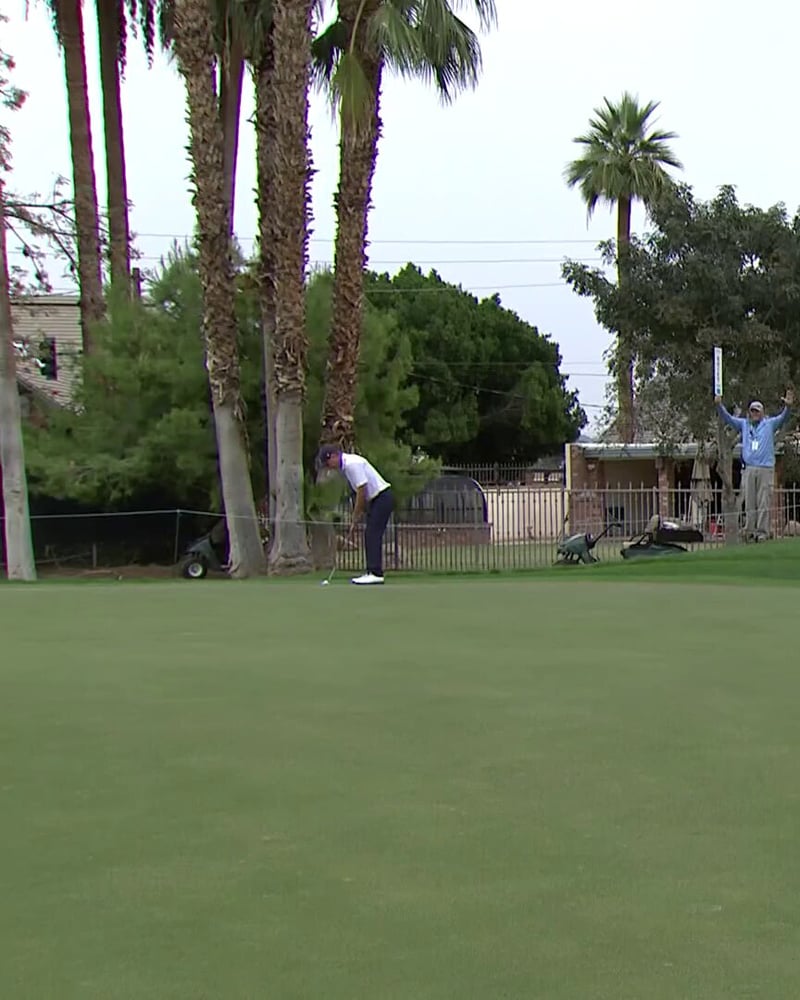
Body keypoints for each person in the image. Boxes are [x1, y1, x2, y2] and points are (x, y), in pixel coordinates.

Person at [715, 388, 794, 541]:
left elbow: (784, 417)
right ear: (749, 412)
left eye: (757, 411)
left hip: (765, 468)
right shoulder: (744, 425)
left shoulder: (770, 424)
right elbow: (728, 418)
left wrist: (788, 406)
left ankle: (762, 532)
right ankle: (750, 531)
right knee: (750, 502)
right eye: (752, 411)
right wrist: (719, 405)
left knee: (763, 501)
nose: (755, 413)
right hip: (749, 469)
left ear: (762, 412)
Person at [316, 445, 394, 585]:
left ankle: (375, 573)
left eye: (328, 463)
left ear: (334, 456)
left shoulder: (352, 464)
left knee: (372, 533)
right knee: (370, 533)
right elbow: (358, 492)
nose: (329, 467)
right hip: (376, 500)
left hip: (382, 497)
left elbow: (362, 489)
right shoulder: (346, 467)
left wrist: (356, 514)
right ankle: (372, 571)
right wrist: (359, 511)